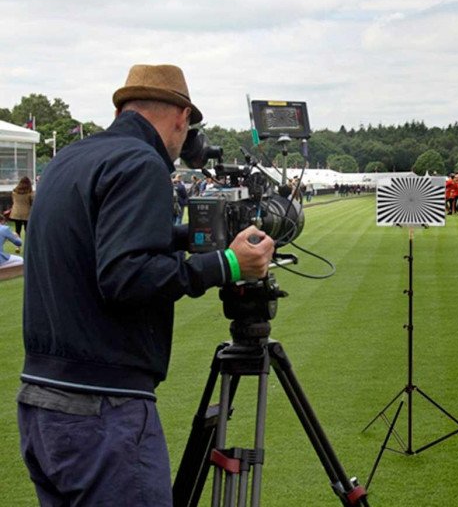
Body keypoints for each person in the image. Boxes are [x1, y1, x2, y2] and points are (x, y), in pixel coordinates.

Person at [17, 64, 274, 506]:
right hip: (104, 409)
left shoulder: (70, 160)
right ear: (181, 116)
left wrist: (191, 237)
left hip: (41, 404)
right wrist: (228, 264)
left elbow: (98, 242)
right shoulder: (141, 162)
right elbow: (126, 277)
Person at [10, 176, 34, 251]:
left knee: (17, 230)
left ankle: (17, 246)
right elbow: (32, 203)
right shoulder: (29, 193)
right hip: (27, 213)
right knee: (27, 230)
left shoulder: (14, 192)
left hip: (16, 213)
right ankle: (28, 246)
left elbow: (13, 201)